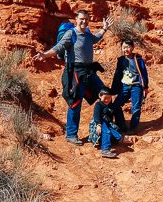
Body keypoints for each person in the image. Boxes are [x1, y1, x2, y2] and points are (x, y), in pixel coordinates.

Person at [34, 9, 112, 145]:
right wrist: (45, 55)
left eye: (86, 19)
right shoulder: (71, 34)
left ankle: (105, 128)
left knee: (104, 94)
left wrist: (104, 29)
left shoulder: (87, 34)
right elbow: (58, 47)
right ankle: (71, 134)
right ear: (76, 19)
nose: (84, 21)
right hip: (75, 72)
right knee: (75, 103)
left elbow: (96, 38)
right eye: (81, 19)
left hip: (88, 71)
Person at [111, 38, 149, 133]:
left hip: (136, 86)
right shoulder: (121, 60)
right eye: (124, 47)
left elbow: (144, 73)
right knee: (116, 105)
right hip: (125, 86)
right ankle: (121, 125)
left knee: (136, 107)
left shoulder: (138, 59)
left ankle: (133, 128)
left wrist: (145, 86)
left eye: (128, 47)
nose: (126, 49)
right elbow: (117, 75)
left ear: (132, 47)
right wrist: (114, 88)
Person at [89, 88, 123, 158]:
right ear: (100, 96)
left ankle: (103, 140)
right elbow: (96, 115)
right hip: (100, 122)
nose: (107, 100)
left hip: (107, 123)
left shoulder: (110, 106)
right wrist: (98, 125)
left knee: (119, 137)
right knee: (107, 131)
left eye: (109, 98)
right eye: (105, 98)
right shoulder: (98, 105)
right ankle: (105, 149)